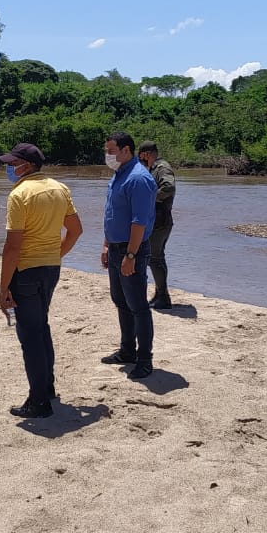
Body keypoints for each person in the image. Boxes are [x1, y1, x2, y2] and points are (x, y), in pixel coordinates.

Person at [0, 143, 83, 419]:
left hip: (26, 272)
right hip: (50, 269)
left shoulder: (19, 194)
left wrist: (3, 289)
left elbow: (12, 247)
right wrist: (56, 254)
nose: (9, 168)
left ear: (27, 166)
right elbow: (76, 230)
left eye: (13, 163)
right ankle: (47, 389)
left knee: (30, 336)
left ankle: (39, 402)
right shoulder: (60, 188)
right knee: (41, 329)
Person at [101, 131, 156, 379]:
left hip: (131, 250)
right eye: (106, 151)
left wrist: (131, 255)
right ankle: (127, 351)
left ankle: (144, 360)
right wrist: (105, 245)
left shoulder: (139, 179)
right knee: (120, 301)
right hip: (115, 248)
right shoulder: (118, 175)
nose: (107, 155)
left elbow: (139, 222)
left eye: (111, 150)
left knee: (138, 306)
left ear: (126, 150)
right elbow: (112, 214)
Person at [137, 141, 176, 310]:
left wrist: (151, 199)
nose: (141, 160)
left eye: (141, 157)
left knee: (155, 258)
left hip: (161, 219)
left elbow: (169, 187)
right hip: (157, 218)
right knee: (155, 257)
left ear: (147, 154)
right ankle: (160, 294)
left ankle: (164, 297)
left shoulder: (162, 167)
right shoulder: (154, 169)